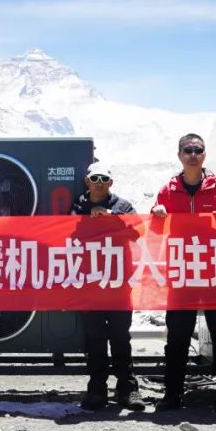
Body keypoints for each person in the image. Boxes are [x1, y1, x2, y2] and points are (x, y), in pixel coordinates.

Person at [151, 133, 216, 414]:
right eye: (188, 150)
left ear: (205, 155)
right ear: (179, 155)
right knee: (177, 337)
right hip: (182, 270)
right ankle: (172, 395)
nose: (193, 154)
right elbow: (156, 232)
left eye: (198, 150)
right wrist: (156, 216)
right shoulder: (167, 190)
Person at [69, 161, 144, 411]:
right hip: (89, 283)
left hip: (118, 281)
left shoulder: (123, 206)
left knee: (121, 338)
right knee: (95, 339)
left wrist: (113, 219)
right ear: (86, 182)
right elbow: (66, 235)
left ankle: (128, 391)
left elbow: (138, 232)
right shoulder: (77, 206)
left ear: (111, 183)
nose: (99, 184)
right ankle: (97, 390)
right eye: (95, 179)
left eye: (104, 179)